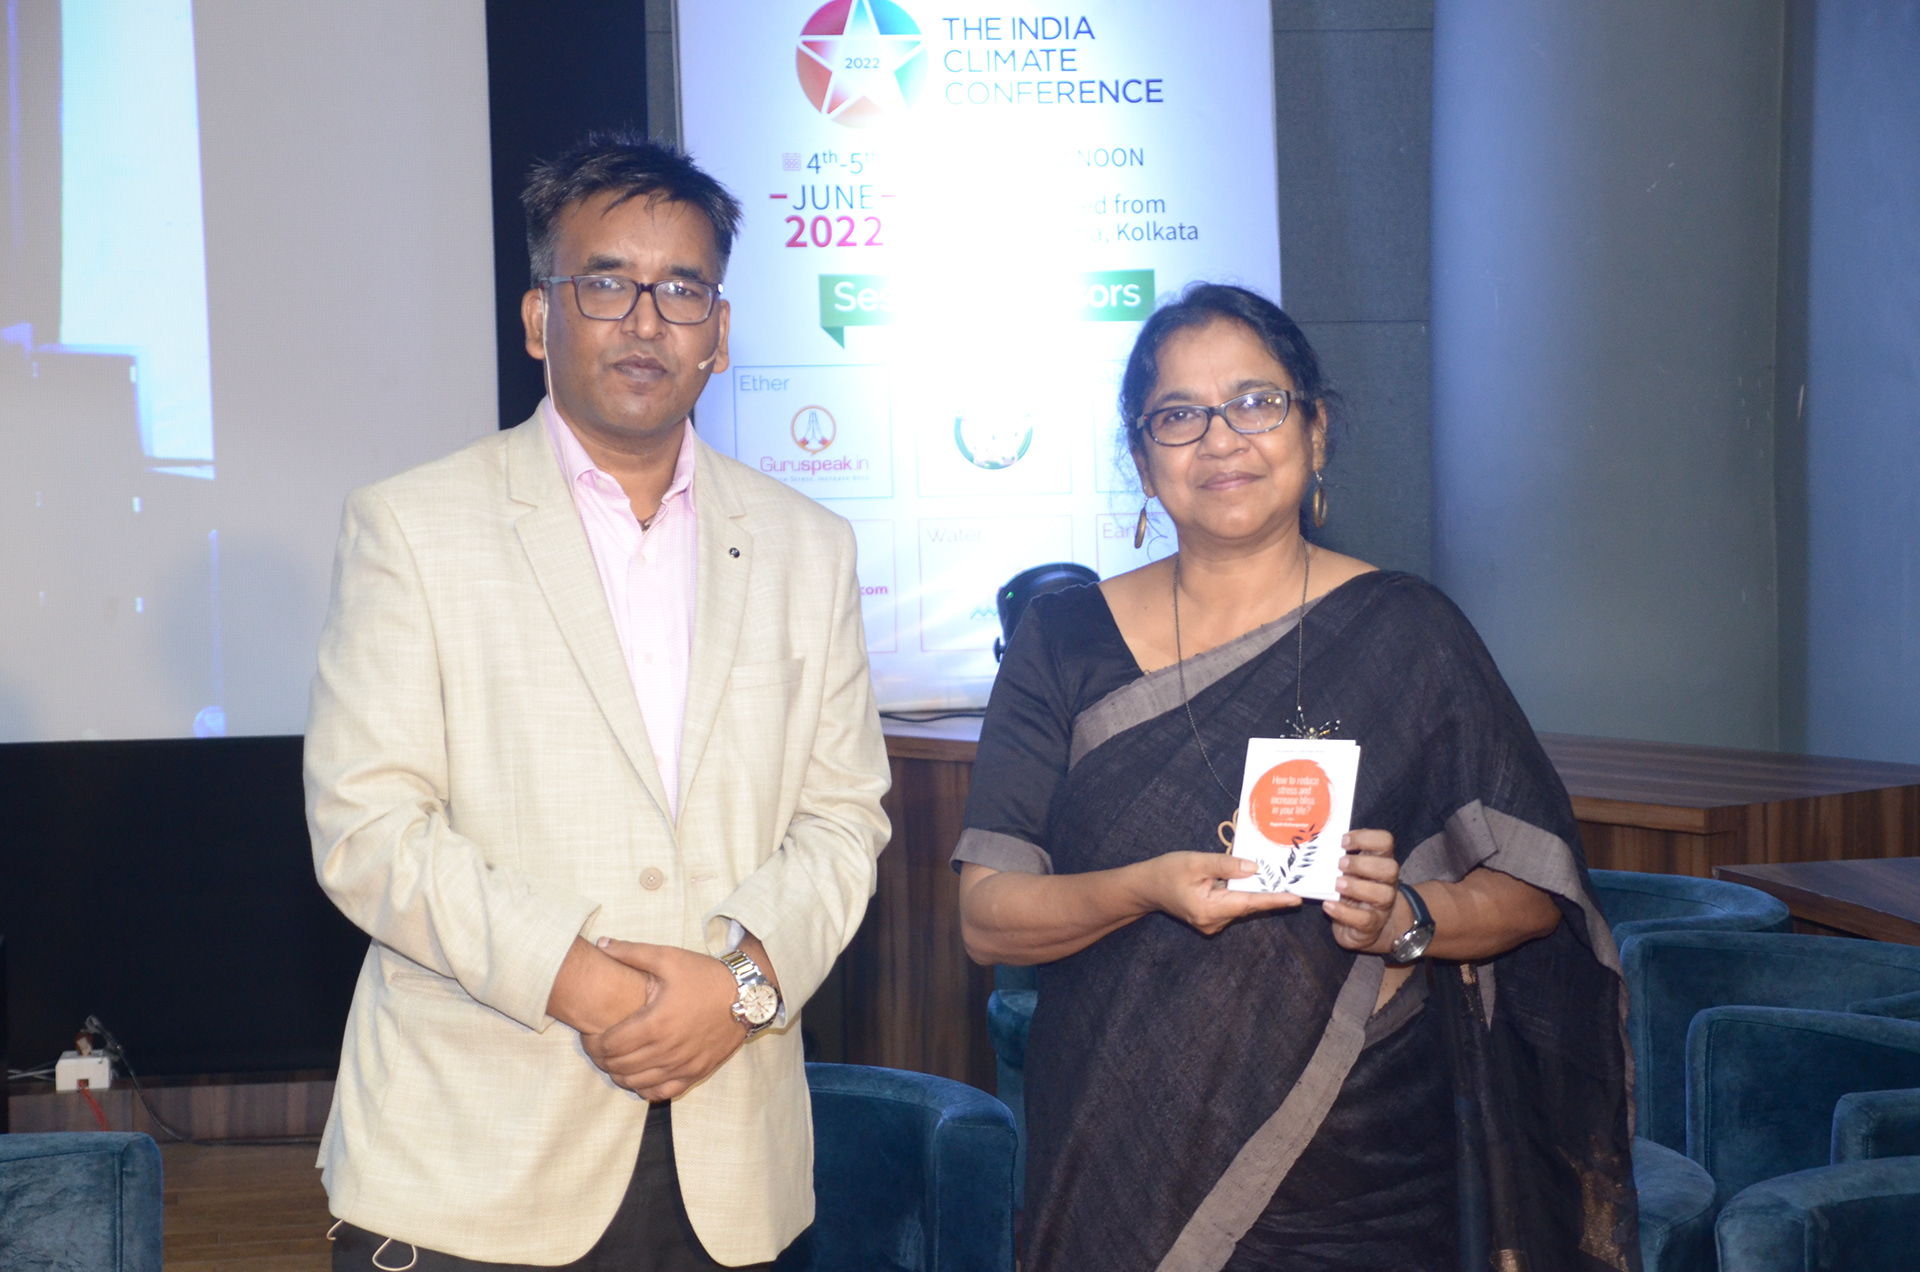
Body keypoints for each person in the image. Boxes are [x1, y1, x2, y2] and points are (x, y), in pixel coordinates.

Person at [954, 283, 1638, 1271]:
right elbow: (988, 916)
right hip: (1115, 1148)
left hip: (1362, 1174)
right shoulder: (1062, 641)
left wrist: (1406, 916)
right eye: (1178, 416)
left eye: (1256, 403)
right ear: (1143, 461)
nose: (1221, 439)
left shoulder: (1409, 632)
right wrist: (1146, 889)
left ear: (1315, 434)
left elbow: (1534, 890)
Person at [304, 134, 891, 1271]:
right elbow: (368, 829)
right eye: (606, 283)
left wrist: (744, 987)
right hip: (474, 1160)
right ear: (539, 318)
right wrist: (586, 984)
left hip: (734, 1163)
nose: (644, 320)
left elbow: (843, 821)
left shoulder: (807, 548)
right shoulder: (412, 527)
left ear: (719, 335)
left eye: (681, 290)